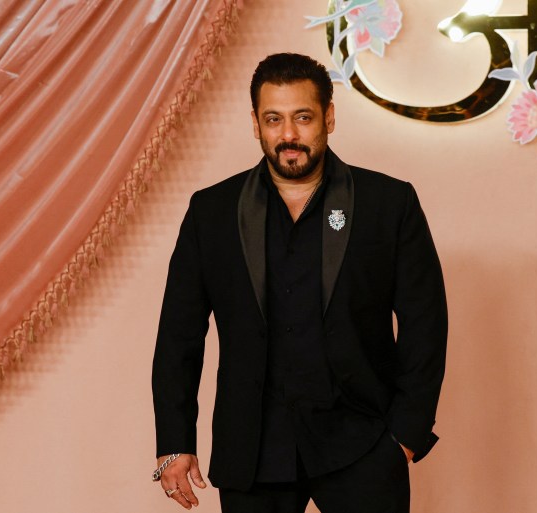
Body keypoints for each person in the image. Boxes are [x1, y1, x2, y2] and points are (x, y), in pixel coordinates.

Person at [152, 53, 447, 513]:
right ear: (256, 124)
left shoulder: (389, 204)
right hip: (251, 447)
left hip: (362, 441)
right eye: (274, 119)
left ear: (328, 117)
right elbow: (178, 335)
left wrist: (405, 434)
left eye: (302, 117)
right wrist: (174, 441)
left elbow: (425, 323)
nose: (288, 134)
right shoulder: (210, 212)